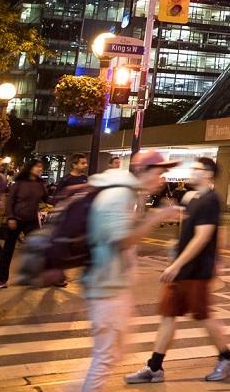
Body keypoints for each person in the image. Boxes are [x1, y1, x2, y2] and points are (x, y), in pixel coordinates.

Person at [126, 157, 230, 383]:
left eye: (198, 169)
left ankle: (227, 358)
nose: (193, 171)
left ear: (208, 174)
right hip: (183, 269)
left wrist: (177, 264)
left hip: (196, 270)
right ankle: (155, 367)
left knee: (204, 316)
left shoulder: (210, 200)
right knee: (169, 315)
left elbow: (203, 236)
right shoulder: (194, 198)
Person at [80, 151, 178, 392]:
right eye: (158, 172)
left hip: (113, 286)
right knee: (105, 357)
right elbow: (121, 240)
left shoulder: (130, 195)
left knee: (111, 355)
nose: (162, 179)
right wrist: (156, 219)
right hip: (106, 288)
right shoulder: (119, 195)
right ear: (142, 171)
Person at [0, 158, 48, 289]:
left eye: (41, 167)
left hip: (32, 221)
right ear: (30, 168)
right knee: (8, 250)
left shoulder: (40, 184)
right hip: (16, 220)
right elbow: (10, 202)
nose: (40, 169)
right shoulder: (19, 183)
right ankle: (2, 279)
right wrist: (11, 218)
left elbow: (47, 199)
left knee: (36, 248)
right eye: (37, 166)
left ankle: (29, 275)